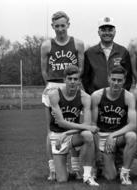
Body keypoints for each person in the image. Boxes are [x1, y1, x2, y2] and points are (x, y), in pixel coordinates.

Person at [41, 11, 85, 180]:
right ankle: (53, 168)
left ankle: (75, 167)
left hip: (72, 85)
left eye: (63, 25)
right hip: (54, 85)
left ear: (68, 24)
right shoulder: (46, 46)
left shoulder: (78, 43)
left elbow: (81, 68)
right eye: (57, 26)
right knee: (51, 130)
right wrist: (52, 88)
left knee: (74, 125)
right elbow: (44, 71)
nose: (60, 29)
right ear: (53, 26)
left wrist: (72, 84)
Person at [48, 65, 99, 186]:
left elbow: (86, 125)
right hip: (57, 136)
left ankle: (88, 176)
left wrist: (66, 133)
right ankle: (60, 166)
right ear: (64, 80)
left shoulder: (85, 97)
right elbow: (61, 122)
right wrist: (85, 127)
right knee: (62, 180)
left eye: (75, 79)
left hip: (72, 134)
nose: (72, 81)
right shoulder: (54, 95)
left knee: (88, 135)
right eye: (69, 78)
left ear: (79, 81)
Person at [91, 65, 137, 185]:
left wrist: (113, 136)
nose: (116, 83)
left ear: (124, 81)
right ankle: (102, 164)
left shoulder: (128, 97)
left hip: (117, 136)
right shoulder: (97, 96)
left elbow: (132, 125)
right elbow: (92, 126)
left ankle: (125, 173)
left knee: (132, 136)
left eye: (119, 80)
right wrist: (97, 150)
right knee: (110, 177)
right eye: (114, 79)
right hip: (101, 135)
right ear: (108, 79)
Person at [82, 16, 132, 95]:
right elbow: (85, 79)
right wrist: (93, 94)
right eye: (103, 30)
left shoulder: (123, 51)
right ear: (98, 32)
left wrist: (121, 94)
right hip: (96, 98)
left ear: (115, 32)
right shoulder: (89, 53)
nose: (107, 33)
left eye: (110, 30)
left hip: (119, 97)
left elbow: (128, 77)